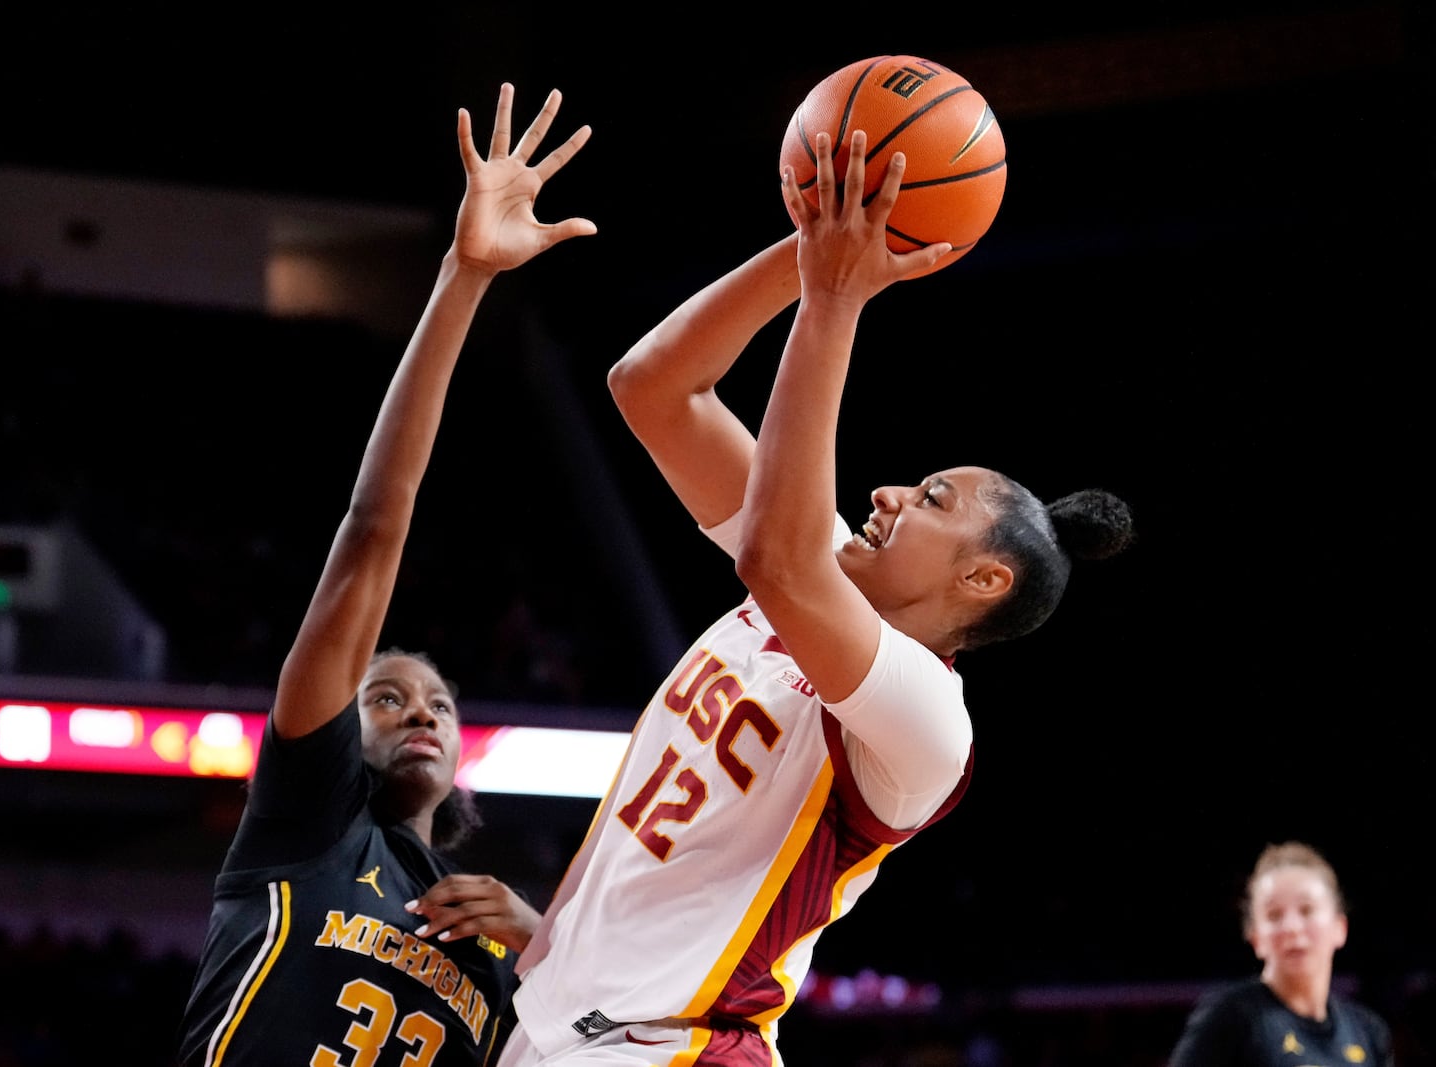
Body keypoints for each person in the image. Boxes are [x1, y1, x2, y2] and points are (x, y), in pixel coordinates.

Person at [496, 129, 1135, 1066]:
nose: (887, 494)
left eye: (930, 500)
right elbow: (652, 389)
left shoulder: (927, 721)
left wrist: (838, 299)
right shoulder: (817, 560)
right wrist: (814, 248)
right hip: (555, 1029)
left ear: (983, 579)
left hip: (682, 1049)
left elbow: (776, 561)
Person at [175, 82, 596, 1067]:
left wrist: (542, 939)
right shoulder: (308, 819)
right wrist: (463, 275)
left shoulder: (498, 946)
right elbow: (372, 529)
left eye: (439, 703)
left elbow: (615, 1039)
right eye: (388, 695)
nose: (421, 711)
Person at [1167, 841, 1396, 1067]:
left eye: (1307, 910)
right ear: (1255, 938)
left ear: (1339, 928)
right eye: (1274, 915)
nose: (1292, 927)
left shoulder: (1368, 1031)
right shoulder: (1231, 1018)